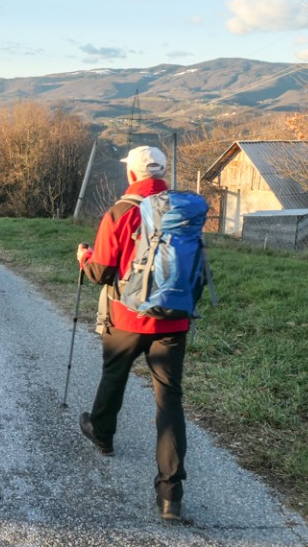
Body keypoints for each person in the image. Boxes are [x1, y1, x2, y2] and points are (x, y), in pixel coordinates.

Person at [76, 145, 189, 522]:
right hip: (173, 319)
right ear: (163, 172)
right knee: (169, 400)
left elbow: (100, 273)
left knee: (115, 374)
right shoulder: (183, 209)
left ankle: (103, 434)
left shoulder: (121, 212)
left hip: (127, 317)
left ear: (132, 175)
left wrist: (83, 258)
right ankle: (170, 494)